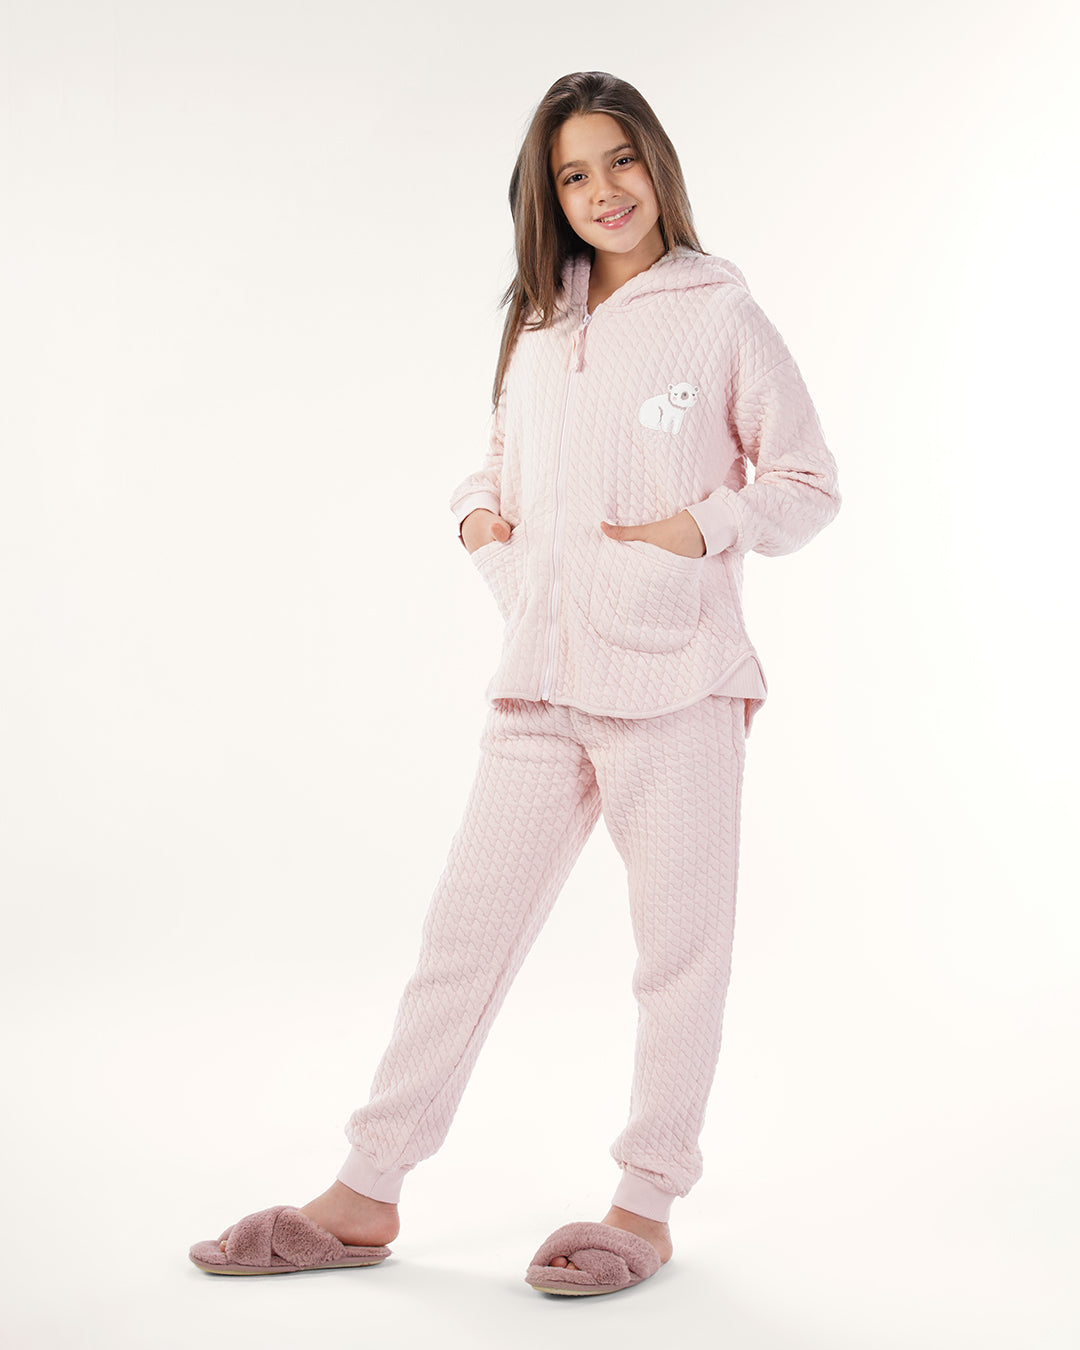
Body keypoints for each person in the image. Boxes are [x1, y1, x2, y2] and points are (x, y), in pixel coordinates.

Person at [188, 69, 841, 1296]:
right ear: (550, 196)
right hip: (539, 681)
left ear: (659, 162)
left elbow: (806, 484)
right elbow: (499, 458)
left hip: (679, 679)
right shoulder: (541, 320)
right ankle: (367, 1189)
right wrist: (479, 523)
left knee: (678, 956)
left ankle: (646, 1203)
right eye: (574, 174)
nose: (604, 191)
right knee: (463, 939)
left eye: (620, 160)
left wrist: (694, 530)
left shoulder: (722, 313)